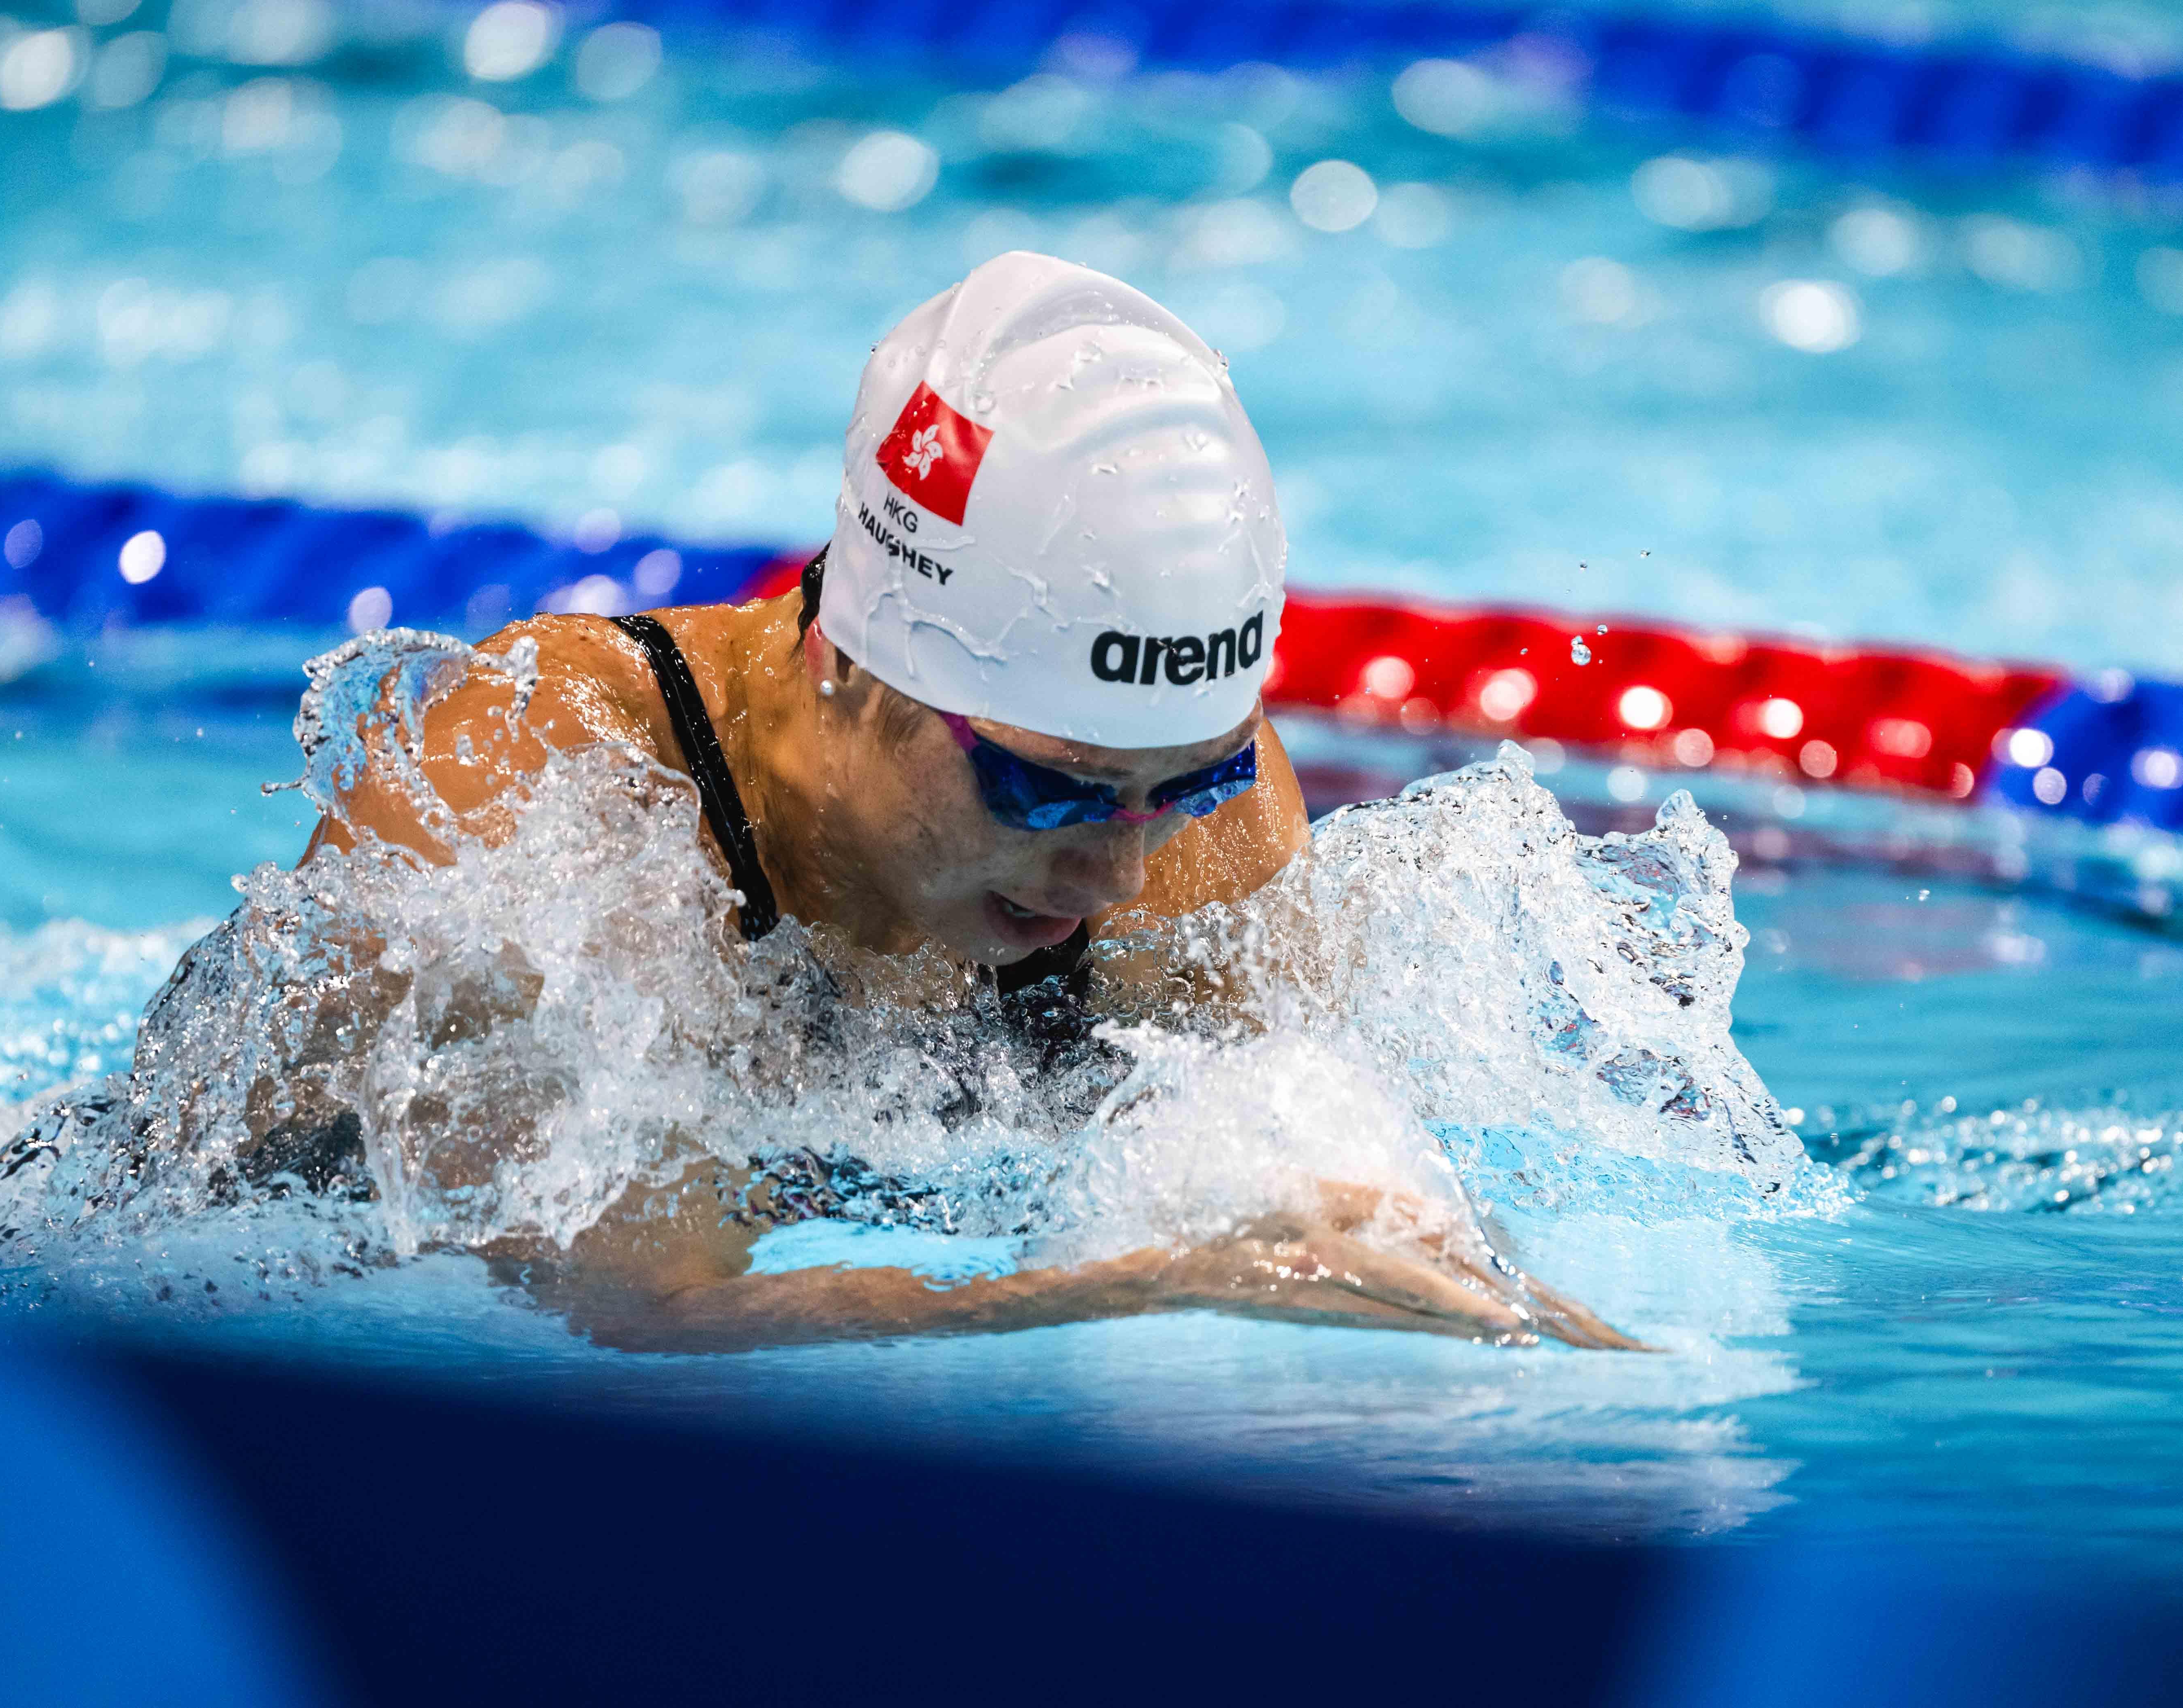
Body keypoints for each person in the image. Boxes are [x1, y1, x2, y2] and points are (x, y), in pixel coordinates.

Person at [297, 253, 1638, 1353]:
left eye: (1192, 777)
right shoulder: (555, 775)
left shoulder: (1194, 831)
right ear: (850, 665)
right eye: (1044, 788)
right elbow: (647, 1317)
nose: (1120, 872)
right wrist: (1142, 1282)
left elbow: (1326, 1204)